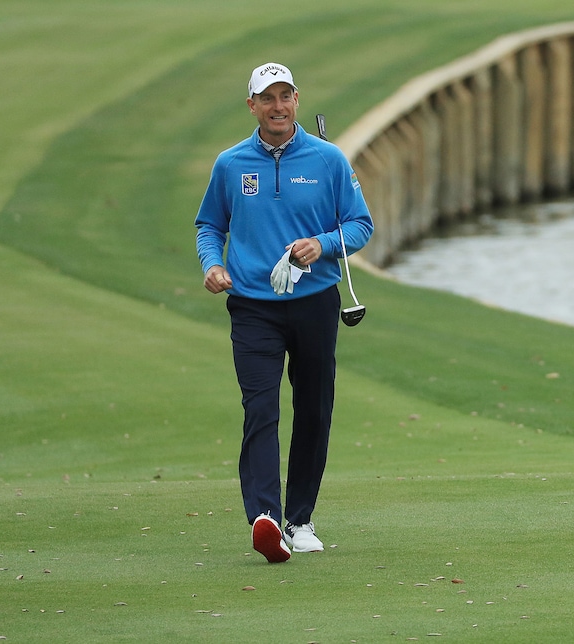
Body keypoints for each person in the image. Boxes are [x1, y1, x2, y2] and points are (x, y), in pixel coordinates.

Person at [195, 62, 374, 563]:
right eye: (266, 98)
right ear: (251, 105)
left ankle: (300, 518)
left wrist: (323, 244)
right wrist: (212, 265)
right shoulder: (231, 164)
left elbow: (360, 225)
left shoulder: (329, 159)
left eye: (285, 96)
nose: (277, 106)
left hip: (315, 302)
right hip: (253, 306)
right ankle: (266, 518)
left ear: (297, 99)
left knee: (314, 409)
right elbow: (209, 225)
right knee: (261, 407)